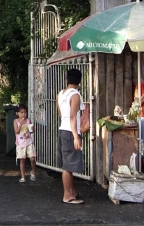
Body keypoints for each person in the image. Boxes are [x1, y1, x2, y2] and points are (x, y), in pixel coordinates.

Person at [56, 68, 84, 205]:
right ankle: (67, 195)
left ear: (67, 79)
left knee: (68, 163)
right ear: (79, 81)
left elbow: (61, 114)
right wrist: (76, 136)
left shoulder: (60, 94)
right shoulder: (75, 95)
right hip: (70, 132)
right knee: (68, 166)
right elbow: (73, 116)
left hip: (62, 129)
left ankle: (72, 191)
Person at [14, 104, 37, 183]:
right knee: (22, 160)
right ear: (17, 113)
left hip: (29, 142)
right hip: (20, 143)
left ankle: (33, 171)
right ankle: (23, 176)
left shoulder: (28, 120)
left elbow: (31, 131)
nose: (24, 114)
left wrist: (33, 129)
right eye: (21, 112)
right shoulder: (16, 121)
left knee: (32, 158)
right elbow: (16, 131)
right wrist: (21, 124)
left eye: (25, 112)